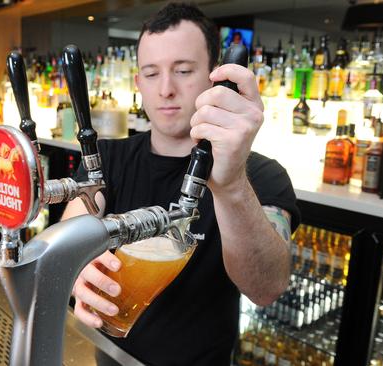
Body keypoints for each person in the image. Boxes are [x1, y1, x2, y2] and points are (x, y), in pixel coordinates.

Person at [63, 2, 300, 365]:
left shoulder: (261, 175)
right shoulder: (109, 159)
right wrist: (76, 267)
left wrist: (232, 183)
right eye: (152, 73)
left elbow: (267, 287)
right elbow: (70, 235)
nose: (166, 89)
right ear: (138, 83)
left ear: (215, 78)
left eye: (184, 70)